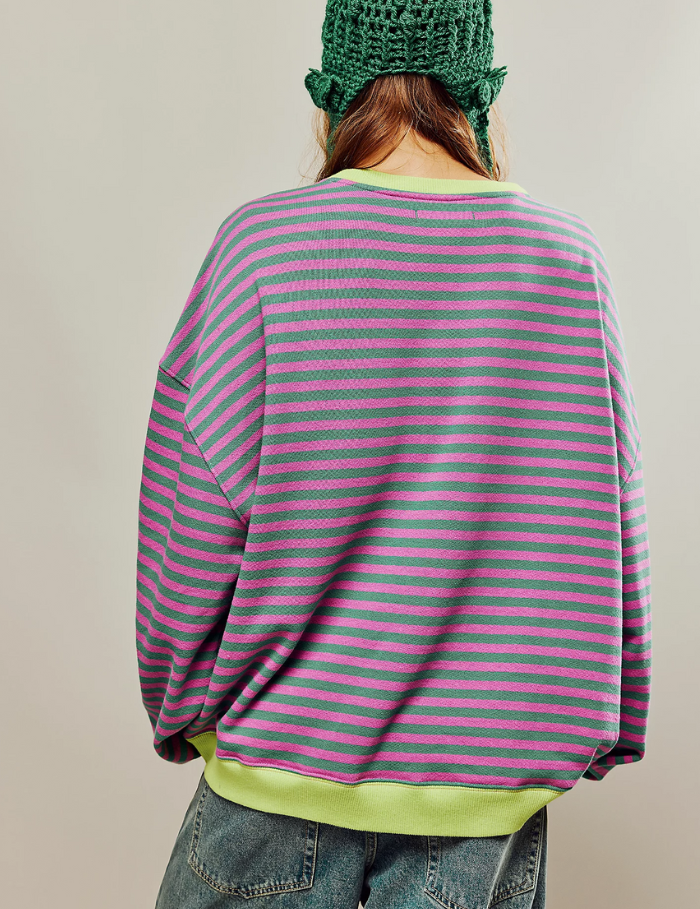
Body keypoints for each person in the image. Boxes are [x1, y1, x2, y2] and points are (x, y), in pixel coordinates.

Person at [135, 2, 652, 907]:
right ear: (478, 86)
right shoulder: (568, 263)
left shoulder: (262, 249)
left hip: (272, 791)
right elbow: (610, 524)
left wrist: (180, 703)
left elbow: (191, 519)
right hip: (481, 825)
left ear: (335, 83)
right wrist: (613, 717)